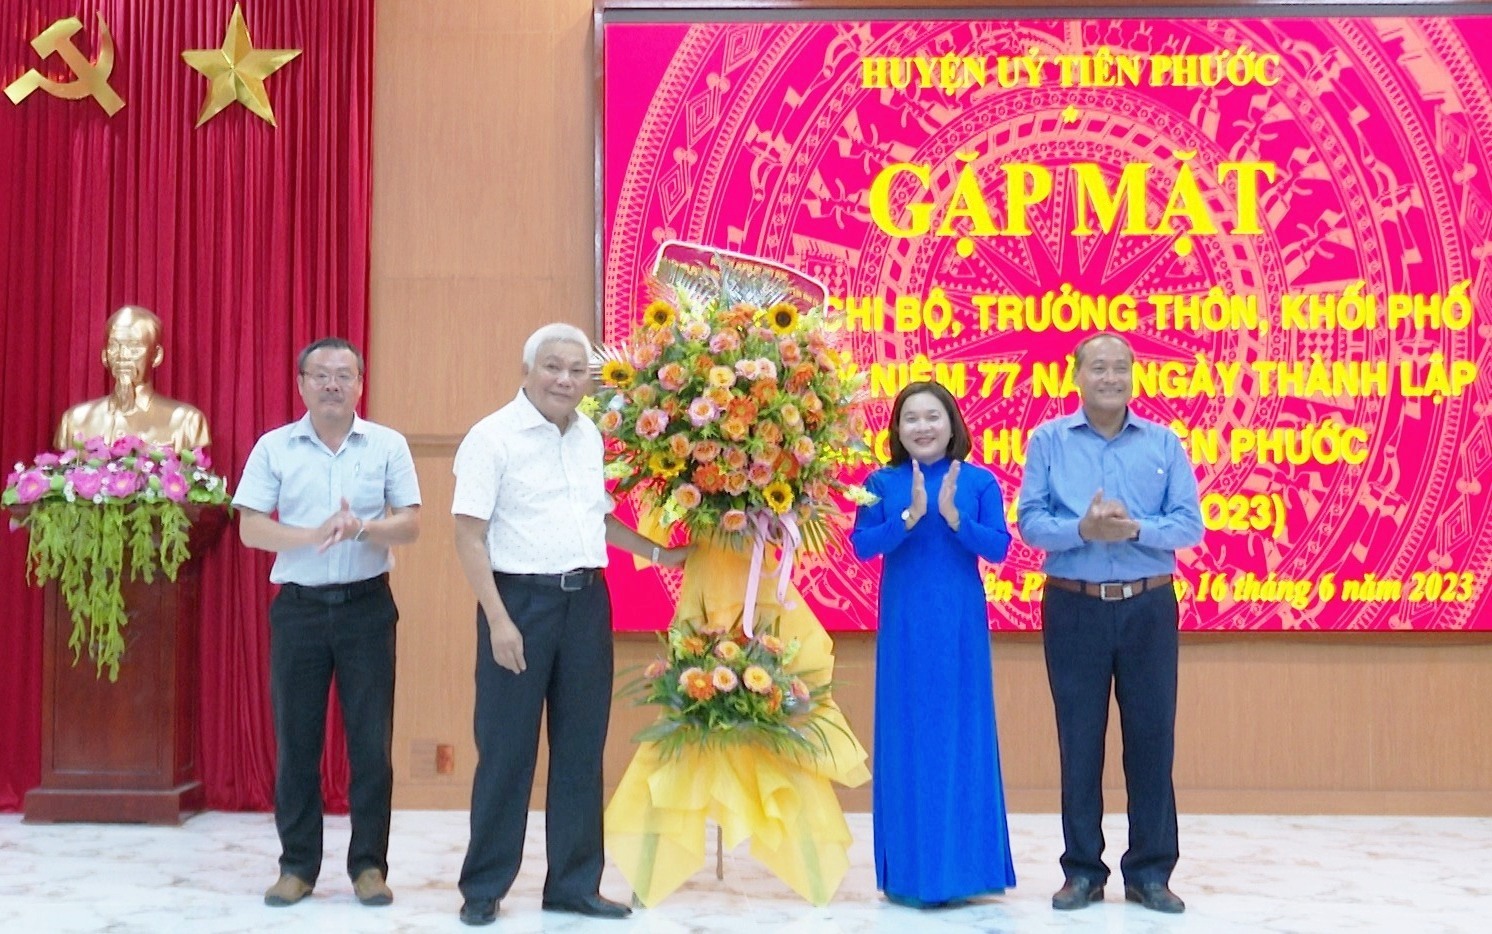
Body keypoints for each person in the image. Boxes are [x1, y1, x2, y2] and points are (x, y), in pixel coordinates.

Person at [451, 323, 687, 927]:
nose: (564, 378)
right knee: (506, 751)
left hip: (586, 603)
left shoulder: (588, 437)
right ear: (528, 369)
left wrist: (662, 555)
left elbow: (597, 521)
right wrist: (498, 620)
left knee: (582, 751)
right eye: (553, 366)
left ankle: (575, 884)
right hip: (518, 605)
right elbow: (469, 535)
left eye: (576, 370)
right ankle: (484, 886)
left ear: (588, 379)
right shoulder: (492, 437)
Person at [1016, 333, 1203, 915]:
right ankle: (1082, 871)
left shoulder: (1164, 443)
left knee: (1152, 738)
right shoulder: (1048, 442)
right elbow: (1030, 524)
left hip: (1148, 605)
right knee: (1079, 739)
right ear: (1076, 376)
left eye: (1121, 368)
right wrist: (1083, 531)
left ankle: (1150, 872)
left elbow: (1189, 526)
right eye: (1099, 368)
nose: (1111, 378)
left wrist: (1135, 530)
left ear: (1133, 376)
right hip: (1074, 605)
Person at [233, 337, 422, 909]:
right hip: (300, 611)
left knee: (371, 745)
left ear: (361, 384)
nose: (333, 384)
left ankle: (369, 866)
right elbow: (250, 528)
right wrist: (311, 535)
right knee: (297, 743)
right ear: (302, 384)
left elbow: (410, 524)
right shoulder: (275, 447)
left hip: (367, 607)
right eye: (321, 375)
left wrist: (363, 528)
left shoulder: (387, 445)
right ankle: (296, 867)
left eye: (344, 374)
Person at [849, 380, 1016, 907]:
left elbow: (999, 548)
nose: (923, 427)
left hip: (960, 626)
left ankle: (969, 870)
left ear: (952, 424)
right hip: (904, 628)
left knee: (962, 735)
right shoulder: (880, 481)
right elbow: (861, 546)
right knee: (908, 738)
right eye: (911, 419)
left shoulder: (980, 481)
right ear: (897, 430)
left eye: (933, 417)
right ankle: (911, 874)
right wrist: (910, 517)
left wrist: (953, 519)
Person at [55, 305, 211, 451]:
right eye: (114, 347)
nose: (123, 356)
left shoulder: (187, 421)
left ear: (156, 356)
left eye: (134, 347)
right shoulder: (74, 421)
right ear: (104, 355)